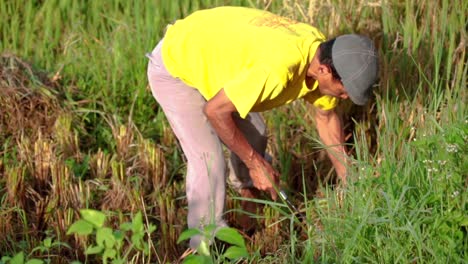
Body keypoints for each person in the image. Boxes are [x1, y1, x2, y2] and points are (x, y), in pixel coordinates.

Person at [146, 6, 378, 249]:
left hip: (215, 59)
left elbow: (327, 117)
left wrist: (349, 177)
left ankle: (247, 195)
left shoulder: (319, 53)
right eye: (344, 90)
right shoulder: (278, 70)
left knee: (255, 133)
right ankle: (204, 246)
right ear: (324, 71)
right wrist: (256, 164)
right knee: (208, 160)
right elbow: (215, 111)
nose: (343, 97)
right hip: (177, 64)